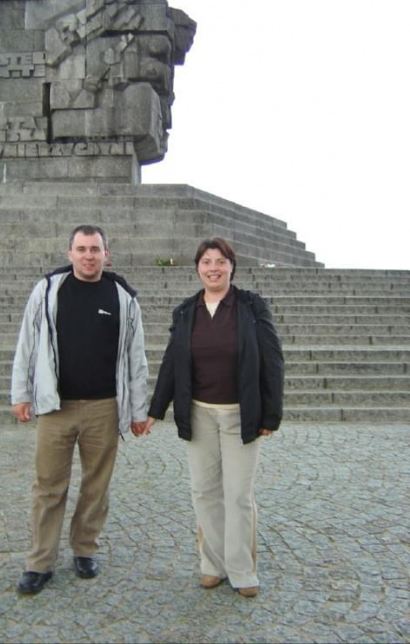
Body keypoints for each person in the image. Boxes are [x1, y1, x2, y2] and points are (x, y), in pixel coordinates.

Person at [140, 237, 284, 597]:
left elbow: (273, 360)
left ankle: (241, 569)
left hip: (241, 414)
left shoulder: (251, 306)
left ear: (232, 266)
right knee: (204, 492)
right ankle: (212, 564)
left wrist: (272, 413)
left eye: (220, 261)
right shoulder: (186, 311)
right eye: (206, 261)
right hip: (200, 414)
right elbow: (173, 364)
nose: (213, 268)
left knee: (237, 495)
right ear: (198, 268)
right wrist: (155, 411)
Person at [11, 225, 148, 595]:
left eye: (95, 249)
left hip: (104, 406)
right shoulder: (47, 290)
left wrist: (138, 411)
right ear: (69, 253)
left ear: (108, 254)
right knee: (48, 487)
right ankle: (40, 561)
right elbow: (27, 341)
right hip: (55, 406)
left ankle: (85, 548)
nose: (89, 255)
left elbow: (136, 359)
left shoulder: (123, 298)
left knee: (96, 486)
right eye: (82, 248)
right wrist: (21, 394)